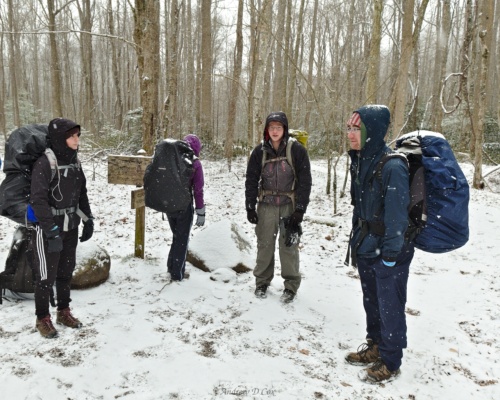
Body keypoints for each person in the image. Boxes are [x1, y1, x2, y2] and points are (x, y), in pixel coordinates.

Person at [344, 105, 415, 383]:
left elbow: (397, 219)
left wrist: (390, 255)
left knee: (390, 304)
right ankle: (375, 345)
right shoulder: (360, 159)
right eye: (349, 128)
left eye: (356, 129)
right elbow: (359, 205)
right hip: (366, 244)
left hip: (388, 249)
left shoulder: (393, 165)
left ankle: (390, 359)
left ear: (371, 131)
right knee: (372, 301)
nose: (350, 134)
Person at [29, 118, 94, 339]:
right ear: (60, 138)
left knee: (65, 273)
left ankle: (63, 312)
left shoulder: (74, 161)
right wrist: (51, 231)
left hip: (70, 226)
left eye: (78, 135)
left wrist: (88, 219)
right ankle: (42, 318)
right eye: (72, 135)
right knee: (45, 277)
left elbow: (81, 192)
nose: (77, 139)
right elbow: (38, 201)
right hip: (47, 229)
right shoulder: (44, 163)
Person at [245, 111, 311, 303]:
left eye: (278, 127)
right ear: (267, 129)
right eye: (271, 127)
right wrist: (250, 205)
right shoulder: (259, 152)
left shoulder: (297, 150)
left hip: (289, 206)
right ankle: (262, 282)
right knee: (264, 245)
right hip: (266, 206)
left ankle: (290, 285)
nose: (275, 131)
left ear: (285, 129)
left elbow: (305, 181)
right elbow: (251, 179)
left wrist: (300, 209)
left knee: (288, 246)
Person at [166, 134, 205, 282]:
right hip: (184, 206)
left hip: (169, 205)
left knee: (176, 236)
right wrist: (201, 211)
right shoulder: (195, 164)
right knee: (182, 239)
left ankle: (171, 266)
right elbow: (198, 190)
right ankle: (177, 275)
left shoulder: (173, 159)